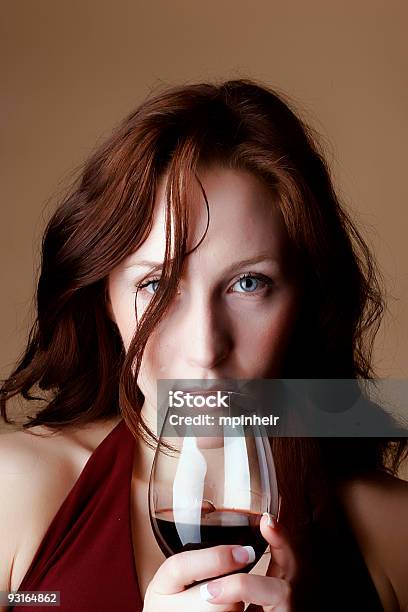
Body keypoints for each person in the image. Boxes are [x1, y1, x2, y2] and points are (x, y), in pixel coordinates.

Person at [1, 78, 407, 611]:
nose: (205, 348)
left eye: (249, 284)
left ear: (304, 301)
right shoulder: (17, 491)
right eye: (156, 286)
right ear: (104, 300)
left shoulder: (390, 530)